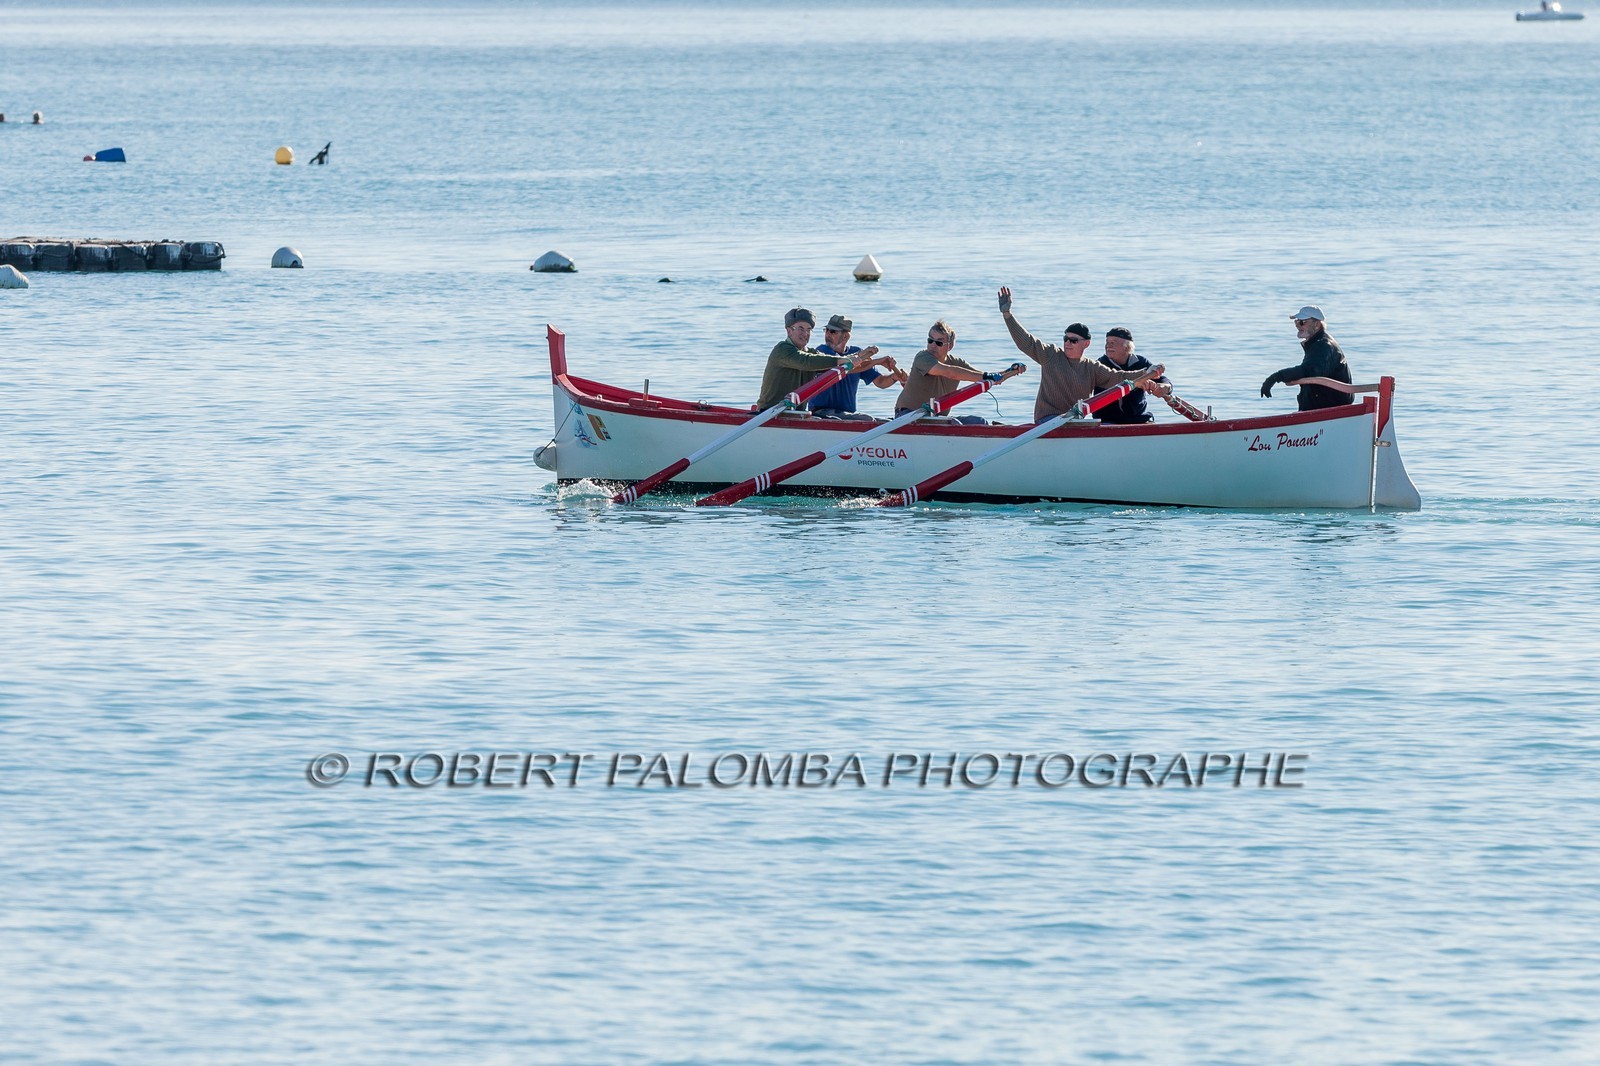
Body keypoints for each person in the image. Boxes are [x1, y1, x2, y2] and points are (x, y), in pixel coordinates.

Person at [998, 287, 1171, 422]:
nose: (1067, 343)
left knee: (1079, 424)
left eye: (1073, 340)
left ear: (1086, 344)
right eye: (1065, 339)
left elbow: (1119, 377)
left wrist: (1149, 373)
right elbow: (1026, 342)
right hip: (1048, 420)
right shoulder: (1051, 355)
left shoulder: (1092, 367)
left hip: (1074, 422)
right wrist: (1007, 315)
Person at [756, 307, 889, 410]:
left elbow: (844, 367)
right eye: (800, 329)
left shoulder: (811, 352)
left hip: (794, 414)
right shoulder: (783, 349)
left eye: (809, 329)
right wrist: (841, 360)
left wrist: (863, 356)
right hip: (769, 414)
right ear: (789, 331)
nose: (805, 334)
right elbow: (806, 361)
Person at [893, 320, 1006, 424]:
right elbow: (949, 372)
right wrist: (987, 376)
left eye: (939, 343)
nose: (933, 345)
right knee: (955, 423)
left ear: (950, 346)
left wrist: (1010, 371)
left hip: (935, 417)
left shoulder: (956, 363)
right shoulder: (922, 357)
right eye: (930, 340)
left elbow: (984, 376)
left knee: (980, 422)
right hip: (907, 415)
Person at [809, 314, 906, 420]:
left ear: (845, 336)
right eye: (826, 330)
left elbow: (881, 382)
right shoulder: (822, 351)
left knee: (887, 422)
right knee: (867, 419)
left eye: (832, 331)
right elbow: (845, 366)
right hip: (821, 412)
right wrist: (876, 361)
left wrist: (895, 377)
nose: (827, 334)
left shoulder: (856, 352)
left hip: (846, 414)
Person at [1260, 306, 1354, 411]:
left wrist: (1275, 377)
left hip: (1332, 411)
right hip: (1321, 409)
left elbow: (1308, 371)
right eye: (1296, 322)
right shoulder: (1316, 343)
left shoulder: (1323, 345)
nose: (1297, 325)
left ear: (1317, 324)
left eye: (1302, 322)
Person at [1095, 327, 1169, 425]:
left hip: (1139, 420)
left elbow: (1162, 379)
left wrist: (1165, 387)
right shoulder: (1099, 365)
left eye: (1113, 342)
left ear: (1127, 346)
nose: (1108, 345)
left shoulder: (1141, 362)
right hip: (1107, 421)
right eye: (1107, 342)